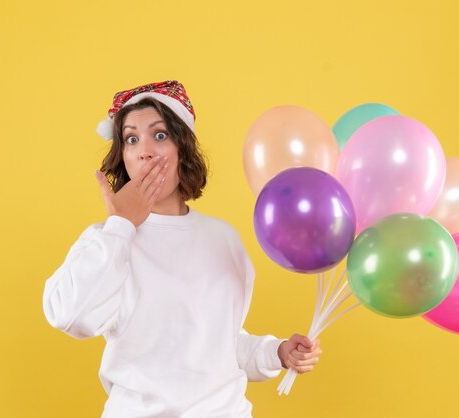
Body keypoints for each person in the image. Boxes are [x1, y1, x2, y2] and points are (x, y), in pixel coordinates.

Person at [42, 80, 323, 417]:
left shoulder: (224, 240)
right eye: (131, 138)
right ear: (124, 157)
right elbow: (72, 316)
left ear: (183, 149)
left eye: (159, 135)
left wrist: (275, 352)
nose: (144, 149)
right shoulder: (107, 241)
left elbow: (219, 344)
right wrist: (121, 226)